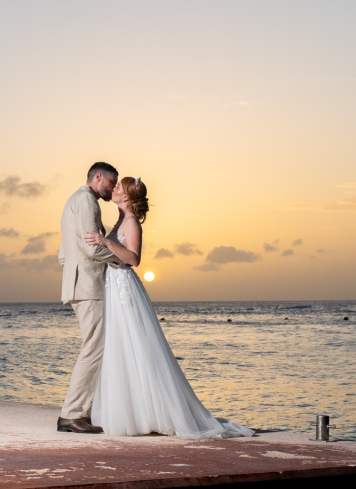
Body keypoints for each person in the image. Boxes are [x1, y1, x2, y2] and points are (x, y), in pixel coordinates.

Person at [84, 177, 254, 438]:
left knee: (136, 345)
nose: (114, 188)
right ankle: (128, 411)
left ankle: (152, 412)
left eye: (118, 187)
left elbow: (134, 259)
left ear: (127, 197)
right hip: (113, 287)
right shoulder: (120, 220)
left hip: (124, 288)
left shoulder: (130, 223)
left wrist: (106, 242)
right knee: (119, 346)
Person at [56, 162, 121, 433]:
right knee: (94, 349)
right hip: (89, 286)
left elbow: (63, 253)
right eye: (111, 183)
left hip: (79, 284)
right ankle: (72, 414)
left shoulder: (74, 199)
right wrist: (122, 260)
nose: (113, 188)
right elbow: (92, 247)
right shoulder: (87, 201)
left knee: (93, 347)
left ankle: (82, 411)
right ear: (98, 177)